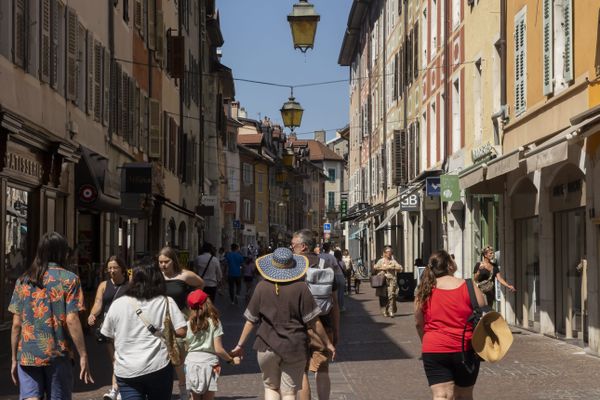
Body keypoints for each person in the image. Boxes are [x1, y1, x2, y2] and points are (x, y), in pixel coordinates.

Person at [231, 248, 335, 400]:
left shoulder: (261, 287)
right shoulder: (301, 288)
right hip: (294, 346)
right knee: (289, 393)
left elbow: (250, 320)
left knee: (271, 388)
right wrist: (328, 343)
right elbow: (313, 321)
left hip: (266, 346)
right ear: (293, 267)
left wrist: (240, 345)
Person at [9, 232, 94, 399]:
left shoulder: (23, 280)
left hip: (27, 353)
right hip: (57, 352)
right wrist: (83, 354)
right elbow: (72, 319)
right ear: (62, 252)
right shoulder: (69, 279)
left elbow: (16, 324)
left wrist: (14, 358)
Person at [101, 263, 187, 400]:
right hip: (158, 365)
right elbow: (182, 331)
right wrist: (165, 331)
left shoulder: (118, 304)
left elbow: (106, 335)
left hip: (126, 369)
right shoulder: (166, 301)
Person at [414, 250, 487, 400]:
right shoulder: (468, 285)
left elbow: (418, 323)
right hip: (464, 348)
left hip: (433, 348)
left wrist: (426, 342)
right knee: (464, 395)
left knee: (441, 395)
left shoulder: (423, 290)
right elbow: (484, 309)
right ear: (449, 265)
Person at [292, 230, 340, 400]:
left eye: (294, 245)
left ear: (303, 246)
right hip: (324, 323)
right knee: (323, 369)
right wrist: (336, 329)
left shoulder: (293, 268)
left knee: (301, 371)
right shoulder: (325, 266)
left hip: (299, 326)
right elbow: (334, 303)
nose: (292, 248)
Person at [159, 247, 204, 400]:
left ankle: (184, 389)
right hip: (161, 320)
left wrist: (192, 301)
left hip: (181, 319)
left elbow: (200, 284)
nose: (163, 265)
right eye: (160, 262)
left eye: (166, 262)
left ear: (174, 261)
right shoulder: (157, 277)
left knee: (179, 354)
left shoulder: (184, 275)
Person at [184, 289, 240, 399]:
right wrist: (231, 360)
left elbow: (186, 346)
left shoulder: (187, 324)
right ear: (208, 303)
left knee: (193, 397)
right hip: (210, 364)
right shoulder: (215, 322)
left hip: (190, 362)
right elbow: (218, 349)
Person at [88, 256, 129, 400]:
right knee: (114, 359)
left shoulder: (130, 284)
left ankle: (118, 389)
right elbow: (98, 303)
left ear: (122, 268)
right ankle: (116, 389)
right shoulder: (104, 285)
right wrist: (92, 315)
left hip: (125, 326)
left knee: (121, 358)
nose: (111, 270)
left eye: (115, 267)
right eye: (109, 268)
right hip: (109, 327)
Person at [373, 246, 403, 317]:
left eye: (390, 252)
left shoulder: (393, 261)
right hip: (382, 281)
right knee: (383, 296)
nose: (389, 253)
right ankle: (384, 310)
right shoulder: (381, 261)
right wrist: (382, 268)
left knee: (391, 295)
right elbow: (375, 267)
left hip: (391, 281)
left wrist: (392, 267)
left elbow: (400, 268)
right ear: (384, 253)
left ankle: (391, 311)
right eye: (388, 252)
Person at [320, 242, 345, 312]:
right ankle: (340, 307)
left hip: (323, 276)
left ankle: (327, 308)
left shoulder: (320, 256)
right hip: (335, 275)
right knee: (340, 293)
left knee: (327, 294)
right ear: (329, 248)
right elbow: (336, 266)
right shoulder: (332, 257)